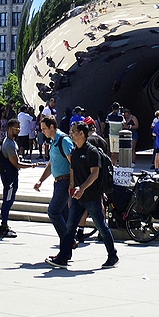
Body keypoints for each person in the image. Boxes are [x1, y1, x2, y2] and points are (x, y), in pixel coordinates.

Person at [47, 122, 119, 269]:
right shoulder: (74, 152)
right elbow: (72, 170)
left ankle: (113, 255)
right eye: (71, 131)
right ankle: (64, 257)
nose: (71, 134)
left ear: (82, 134)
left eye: (74, 132)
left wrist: (82, 188)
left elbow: (95, 173)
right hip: (77, 198)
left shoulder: (91, 152)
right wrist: (72, 187)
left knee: (102, 227)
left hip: (91, 197)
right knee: (69, 228)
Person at [34, 115, 73, 244]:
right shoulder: (53, 141)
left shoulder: (64, 140)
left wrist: (72, 184)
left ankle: (67, 243)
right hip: (58, 182)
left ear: (52, 127)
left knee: (53, 211)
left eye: (44, 129)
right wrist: (40, 181)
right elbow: (51, 164)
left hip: (65, 182)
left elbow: (74, 164)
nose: (42, 131)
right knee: (64, 215)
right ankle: (68, 244)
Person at [0, 118, 33, 239]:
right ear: (9, 129)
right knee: (7, 201)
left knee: (9, 200)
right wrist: (31, 166)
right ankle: (3, 226)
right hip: (10, 177)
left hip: (11, 176)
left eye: (19, 128)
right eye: (16, 128)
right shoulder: (9, 144)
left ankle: (5, 225)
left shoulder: (11, 142)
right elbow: (16, 163)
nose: (18, 130)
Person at [105, 102, 125, 167]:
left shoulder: (109, 116)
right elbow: (124, 123)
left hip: (111, 134)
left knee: (112, 151)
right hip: (118, 135)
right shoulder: (120, 117)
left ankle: (112, 164)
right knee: (116, 152)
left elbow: (107, 122)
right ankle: (115, 164)